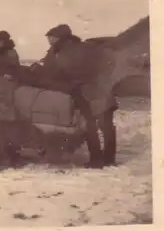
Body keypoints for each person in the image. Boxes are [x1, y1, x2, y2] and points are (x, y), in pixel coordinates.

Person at [38, 23, 118, 169]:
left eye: (51, 38)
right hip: (97, 91)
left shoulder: (66, 51)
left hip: (89, 93)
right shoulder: (78, 48)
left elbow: (62, 72)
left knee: (94, 127)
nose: (49, 41)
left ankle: (98, 160)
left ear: (59, 38)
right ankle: (107, 159)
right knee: (104, 126)